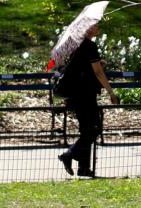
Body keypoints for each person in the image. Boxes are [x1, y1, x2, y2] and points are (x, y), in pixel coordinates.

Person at [57, 22, 119, 178]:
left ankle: (83, 168)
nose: (98, 28)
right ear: (89, 29)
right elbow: (98, 73)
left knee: (86, 130)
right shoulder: (90, 46)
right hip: (85, 94)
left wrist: (97, 64)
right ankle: (69, 154)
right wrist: (111, 93)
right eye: (96, 26)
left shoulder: (75, 45)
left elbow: (81, 66)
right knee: (94, 129)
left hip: (75, 93)